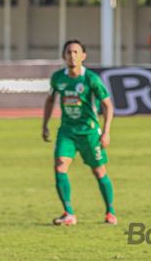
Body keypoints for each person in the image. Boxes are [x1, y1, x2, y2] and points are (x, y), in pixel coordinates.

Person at [42, 39, 117, 226]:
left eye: (76, 52)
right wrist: (45, 124)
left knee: (99, 171)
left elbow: (108, 105)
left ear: (84, 56)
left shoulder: (91, 79)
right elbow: (50, 100)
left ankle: (110, 212)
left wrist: (106, 132)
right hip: (67, 131)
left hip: (89, 133)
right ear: (63, 56)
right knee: (60, 166)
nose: (72, 56)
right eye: (69, 52)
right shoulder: (58, 78)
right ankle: (68, 213)